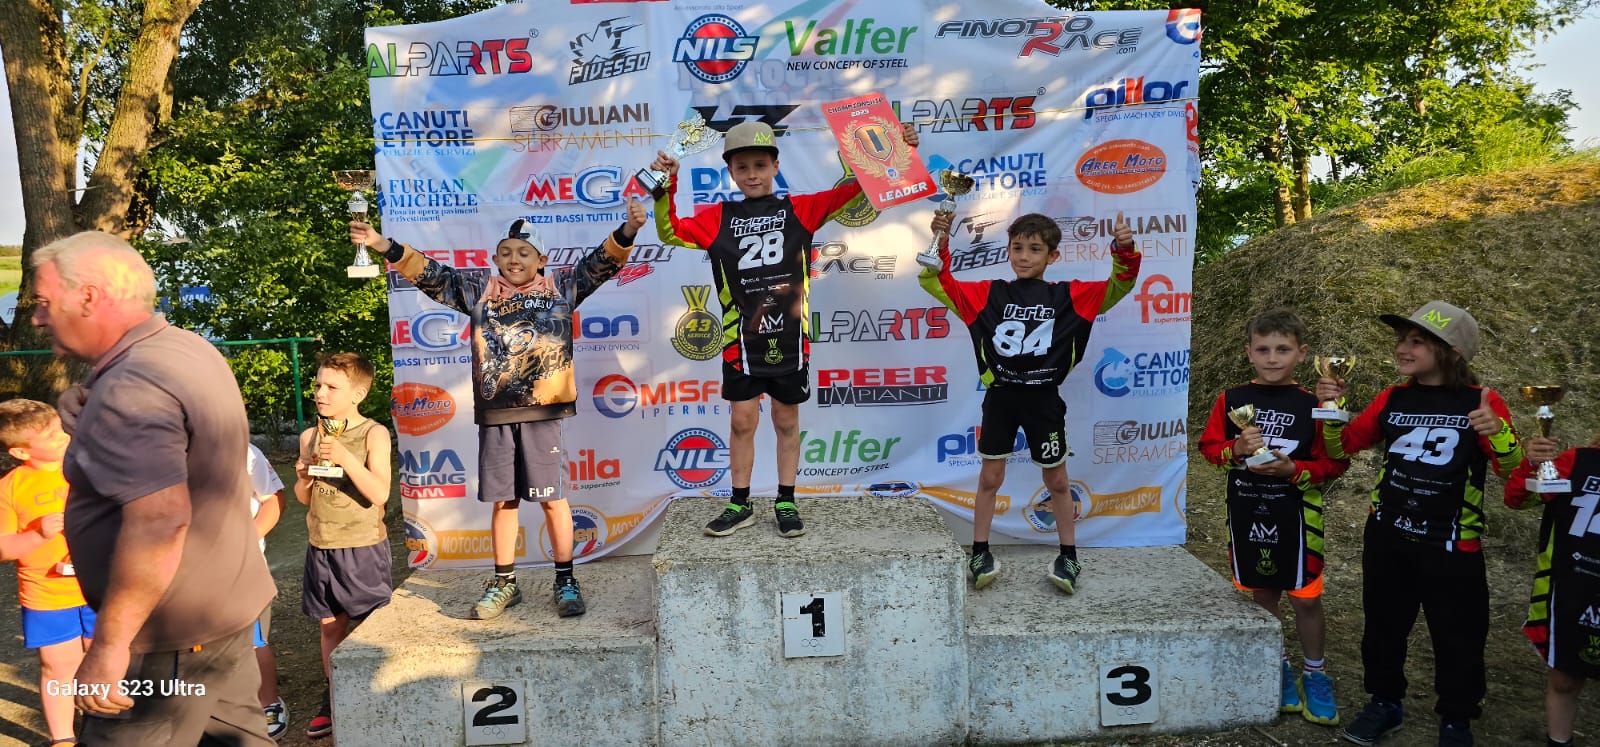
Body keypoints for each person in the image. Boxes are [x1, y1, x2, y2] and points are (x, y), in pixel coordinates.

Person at [30, 230, 276, 745]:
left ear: (89, 296)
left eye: (44, 301)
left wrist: (110, 646)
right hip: (222, 615)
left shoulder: (131, 385)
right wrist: (88, 396)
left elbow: (159, 520)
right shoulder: (183, 347)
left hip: (164, 638)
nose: (36, 317)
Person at [350, 198, 646, 622]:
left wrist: (629, 230)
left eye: (524, 252)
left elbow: (601, 263)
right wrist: (381, 244)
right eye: (505, 252)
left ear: (541, 260)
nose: (514, 259)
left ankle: (565, 579)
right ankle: (505, 581)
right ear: (494, 259)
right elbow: (431, 274)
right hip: (496, 416)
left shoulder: (560, 288)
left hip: (544, 415)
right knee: (504, 502)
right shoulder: (479, 292)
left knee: (553, 500)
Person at [649, 121, 918, 538]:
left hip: (790, 339)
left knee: (786, 419)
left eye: (760, 165)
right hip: (740, 342)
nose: (752, 174)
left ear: (776, 166)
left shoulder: (800, 209)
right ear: (731, 172)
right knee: (742, 422)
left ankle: (786, 499)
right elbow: (670, 231)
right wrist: (666, 184)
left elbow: (855, 190)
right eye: (742, 167)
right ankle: (740, 502)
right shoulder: (717, 217)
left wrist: (898, 151)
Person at [1316, 301, 1523, 747]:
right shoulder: (1393, 397)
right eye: (1402, 339)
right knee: (1383, 627)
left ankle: (1456, 718)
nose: (1402, 348)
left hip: (1451, 543)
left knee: (1459, 636)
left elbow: (1513, 472)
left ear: (1451, 351)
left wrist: (1499, 433)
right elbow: (1342, 447)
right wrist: (1333, 408)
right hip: (1387, 535)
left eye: (1417, 341)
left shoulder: (1482, 401)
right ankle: (1384, 702)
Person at [919, 208, 1138, 593]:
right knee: (990, 477)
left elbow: (1119, 284)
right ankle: (980, 551)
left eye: (1035, 249)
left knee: (1057, 480)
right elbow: (936, 280)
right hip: (1001, 399)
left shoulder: (1070, 296)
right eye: (1017, 247)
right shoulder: (988, 293)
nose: (1023, 256)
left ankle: (1069, 555)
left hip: (1043, 400)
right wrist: (941, 239)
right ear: (1007, 250)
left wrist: (1125, 250)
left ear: (1053, 256)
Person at [1196, 309, 1348, 726]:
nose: (1272, 358)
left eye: (1283, 349)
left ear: (1303, 353)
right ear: (1249, 352)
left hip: (1297, 516)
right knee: (1263, 595)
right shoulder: (1230, 399)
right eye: (1263, 349)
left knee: (1307, 599)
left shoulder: (1315, 405)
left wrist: (1294, 470)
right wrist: (1236, 450)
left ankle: (1315, 674)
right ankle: (1277, 664)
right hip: (1247, 509)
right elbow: (1209, 448)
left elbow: (1336, 463)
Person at [292, 352, 392, 740]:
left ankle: (375, 694)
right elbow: (305, 497)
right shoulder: (309, 436)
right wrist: (303, 477)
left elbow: (379, 493)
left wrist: (346, 458)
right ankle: (334, 695)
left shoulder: (373, 433)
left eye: (332, 387)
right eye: (318, 385)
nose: (320, 393)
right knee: (330, 627)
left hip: (361, 546)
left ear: (358, 394)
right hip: (321, 545)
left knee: (371, 627)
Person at [0, 399, 91, 746]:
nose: (63, 436)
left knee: (106, 659)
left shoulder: (89, 464)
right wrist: (38, 535)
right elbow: (3, 548)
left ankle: (106, 726)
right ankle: (63, 738)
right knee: (58, 669)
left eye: (59, 428)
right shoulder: (10, 488)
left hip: (101, 587)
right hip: (47, 595)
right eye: (50, 435)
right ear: (21, 452)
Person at [1507, 430, 1600, 747]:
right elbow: (1517, 498)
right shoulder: (1577, 461)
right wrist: (1532, 464)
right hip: (1575, 591)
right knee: (1565, 680)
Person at [246, 441, 288, 739]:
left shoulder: (244, 451)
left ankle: (269, 702)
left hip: (243, 569)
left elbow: (273, 499)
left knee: (253, 640)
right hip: (187, 572)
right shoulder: (163, 446)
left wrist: (245, 544)